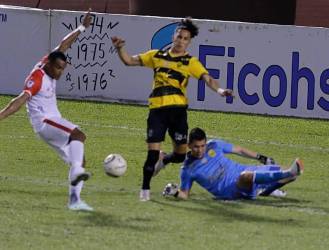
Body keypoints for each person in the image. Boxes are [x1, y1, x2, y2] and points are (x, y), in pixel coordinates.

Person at [111, 18, 233, 201]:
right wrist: (120, 48)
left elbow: (207, 78)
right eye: (179, 36)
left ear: (189, 41)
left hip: (178, 113)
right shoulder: (156, 55)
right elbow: (129, 61)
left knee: (180, 155)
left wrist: (220, 90)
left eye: (185, 38)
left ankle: (165, 159)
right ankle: (145, 190)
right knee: (152, 152)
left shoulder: (190, 62)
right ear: (173, 36)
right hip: (157, 111)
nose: (181, 41)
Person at [0, 11, 94, 211]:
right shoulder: (37, 78)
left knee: (80, 159)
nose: (60, 72)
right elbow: (19, 101)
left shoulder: (49, 61)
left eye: (63, 68)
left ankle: (75, 201)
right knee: (78, 134)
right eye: (58, 68)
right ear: (50, 64)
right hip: (44, 122)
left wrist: (82, 27)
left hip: (52, 122)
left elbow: (63, 45)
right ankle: (77, 175)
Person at [162, 127, 303, 200]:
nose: (200, 150)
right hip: (231, 191)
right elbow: (185, 194)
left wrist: (261, 157)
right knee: (246, 177)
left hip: (244, 170)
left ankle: (266, 190)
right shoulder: (188, 169)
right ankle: (286, 174)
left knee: (290, 176)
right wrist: (175, 193)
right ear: (189, 145)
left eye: (202, 145)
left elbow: (239, 150)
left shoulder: (214, 145)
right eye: (196, 146)